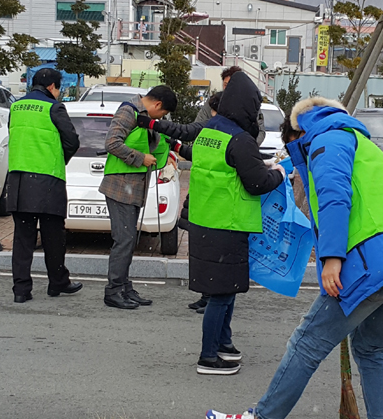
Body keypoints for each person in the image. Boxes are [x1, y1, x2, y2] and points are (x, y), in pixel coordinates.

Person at [205, 96, 383, 419]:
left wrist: (332, 258)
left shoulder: (326, 140)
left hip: (368, 263)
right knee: (370, 348)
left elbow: (335, 197)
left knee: (307, 343)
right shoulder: (359, 142)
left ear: (299, 130)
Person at [178, 74, 284, 375]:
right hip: (228, 223)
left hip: (205, 220)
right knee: (222, 294)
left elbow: (231, 165)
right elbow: (257, 183)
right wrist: (278, 173)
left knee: (224, 290)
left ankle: (223, 344)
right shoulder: (240, 139)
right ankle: (208, 357)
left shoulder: (209, 131)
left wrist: (260, 165)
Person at [137, 66, 264, 314]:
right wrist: (163, 133)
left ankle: (210, 300)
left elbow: (250, 156)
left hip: (221, 203)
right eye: (225, 84)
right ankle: (209, 300)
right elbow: (190, 134)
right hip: (212, 202)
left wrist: (156, 126)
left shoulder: (242, 129)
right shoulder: (214, 121)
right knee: (212, 264)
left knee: (217, 266)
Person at [6, 67, 82, 304]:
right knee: (53, 236)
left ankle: (21, 290)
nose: (58, 93)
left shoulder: (16, 107)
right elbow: (72, 141)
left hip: (18, 180)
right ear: (52, 87)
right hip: (48, 180)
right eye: (59, 89)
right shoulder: (54, 107)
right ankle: (57, 282)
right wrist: (60, 158)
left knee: (23, 239)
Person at [100, 85, 179, 309]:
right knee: (124, 240)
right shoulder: (128, 111)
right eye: (162, 114)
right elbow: (112, 143)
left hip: (132, 188)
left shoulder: (142, 115)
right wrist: (140, 158)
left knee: (128, 240)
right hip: (120, 187)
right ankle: (114, 290)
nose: (160, 118)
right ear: (157, 104)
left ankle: (124, 287)